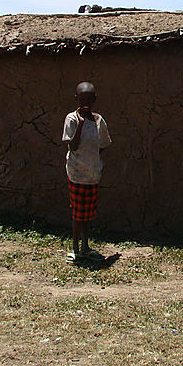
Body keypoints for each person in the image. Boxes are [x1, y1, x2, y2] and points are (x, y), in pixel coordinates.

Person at [62, 82, 111, 263]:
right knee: (77, 213)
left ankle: (85, 246)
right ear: (76, 99)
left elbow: (103, 144)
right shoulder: (72, 119)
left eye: (89, 100)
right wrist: (81, 126)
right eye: (82, 99)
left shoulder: (99, 121)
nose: (85, 103)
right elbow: (72, 146)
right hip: (76, 173)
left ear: (94, 100)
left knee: (88, 214)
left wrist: (93, 159)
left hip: (92, 174)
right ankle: (76, 248)